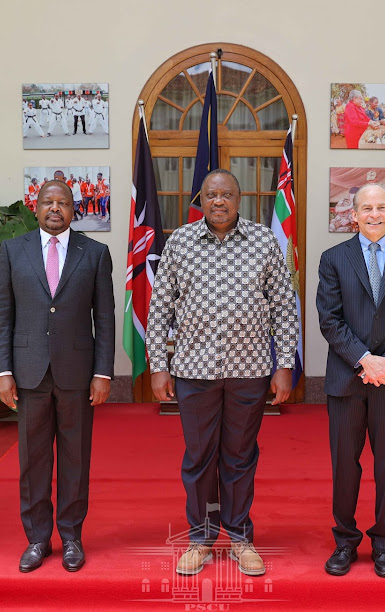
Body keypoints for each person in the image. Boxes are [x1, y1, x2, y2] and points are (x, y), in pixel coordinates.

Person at [146, 169, 298, 578]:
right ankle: (199, 538)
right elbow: (160, 308)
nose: (218, 201)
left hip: (249, 371)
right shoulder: (180, 241)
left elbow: (284, 306)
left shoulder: (263, 241)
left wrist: (285, 365)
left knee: (240, 457)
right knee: (199, 457)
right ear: (202, 198)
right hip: (194, 372)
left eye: (226, 194)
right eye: (211, 195)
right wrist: (158, 366)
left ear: (239, 198)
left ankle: (239, 537)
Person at [0, 180, 115, 574]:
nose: (55, 208)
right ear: (36, 207)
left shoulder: (94, 253)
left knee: (76, 459)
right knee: (33, 461)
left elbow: (106, 319)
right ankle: (37, 539)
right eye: (49, 202)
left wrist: (103, 372)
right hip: (28, 373)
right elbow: (2, 314)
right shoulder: (14, 251)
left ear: (74, 209)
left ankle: (72, 537)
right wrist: (4, 370)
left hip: (78, 374)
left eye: (63, 202)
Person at [316, 184, 385, 579]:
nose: (374, 214)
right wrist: (365, 360)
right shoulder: (333, 259)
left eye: (381, 207)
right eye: (367, 208)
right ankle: (345, 540)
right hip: (347, 379)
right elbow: (329, 319)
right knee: (345, 465)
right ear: (355, 214)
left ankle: (383, 541)